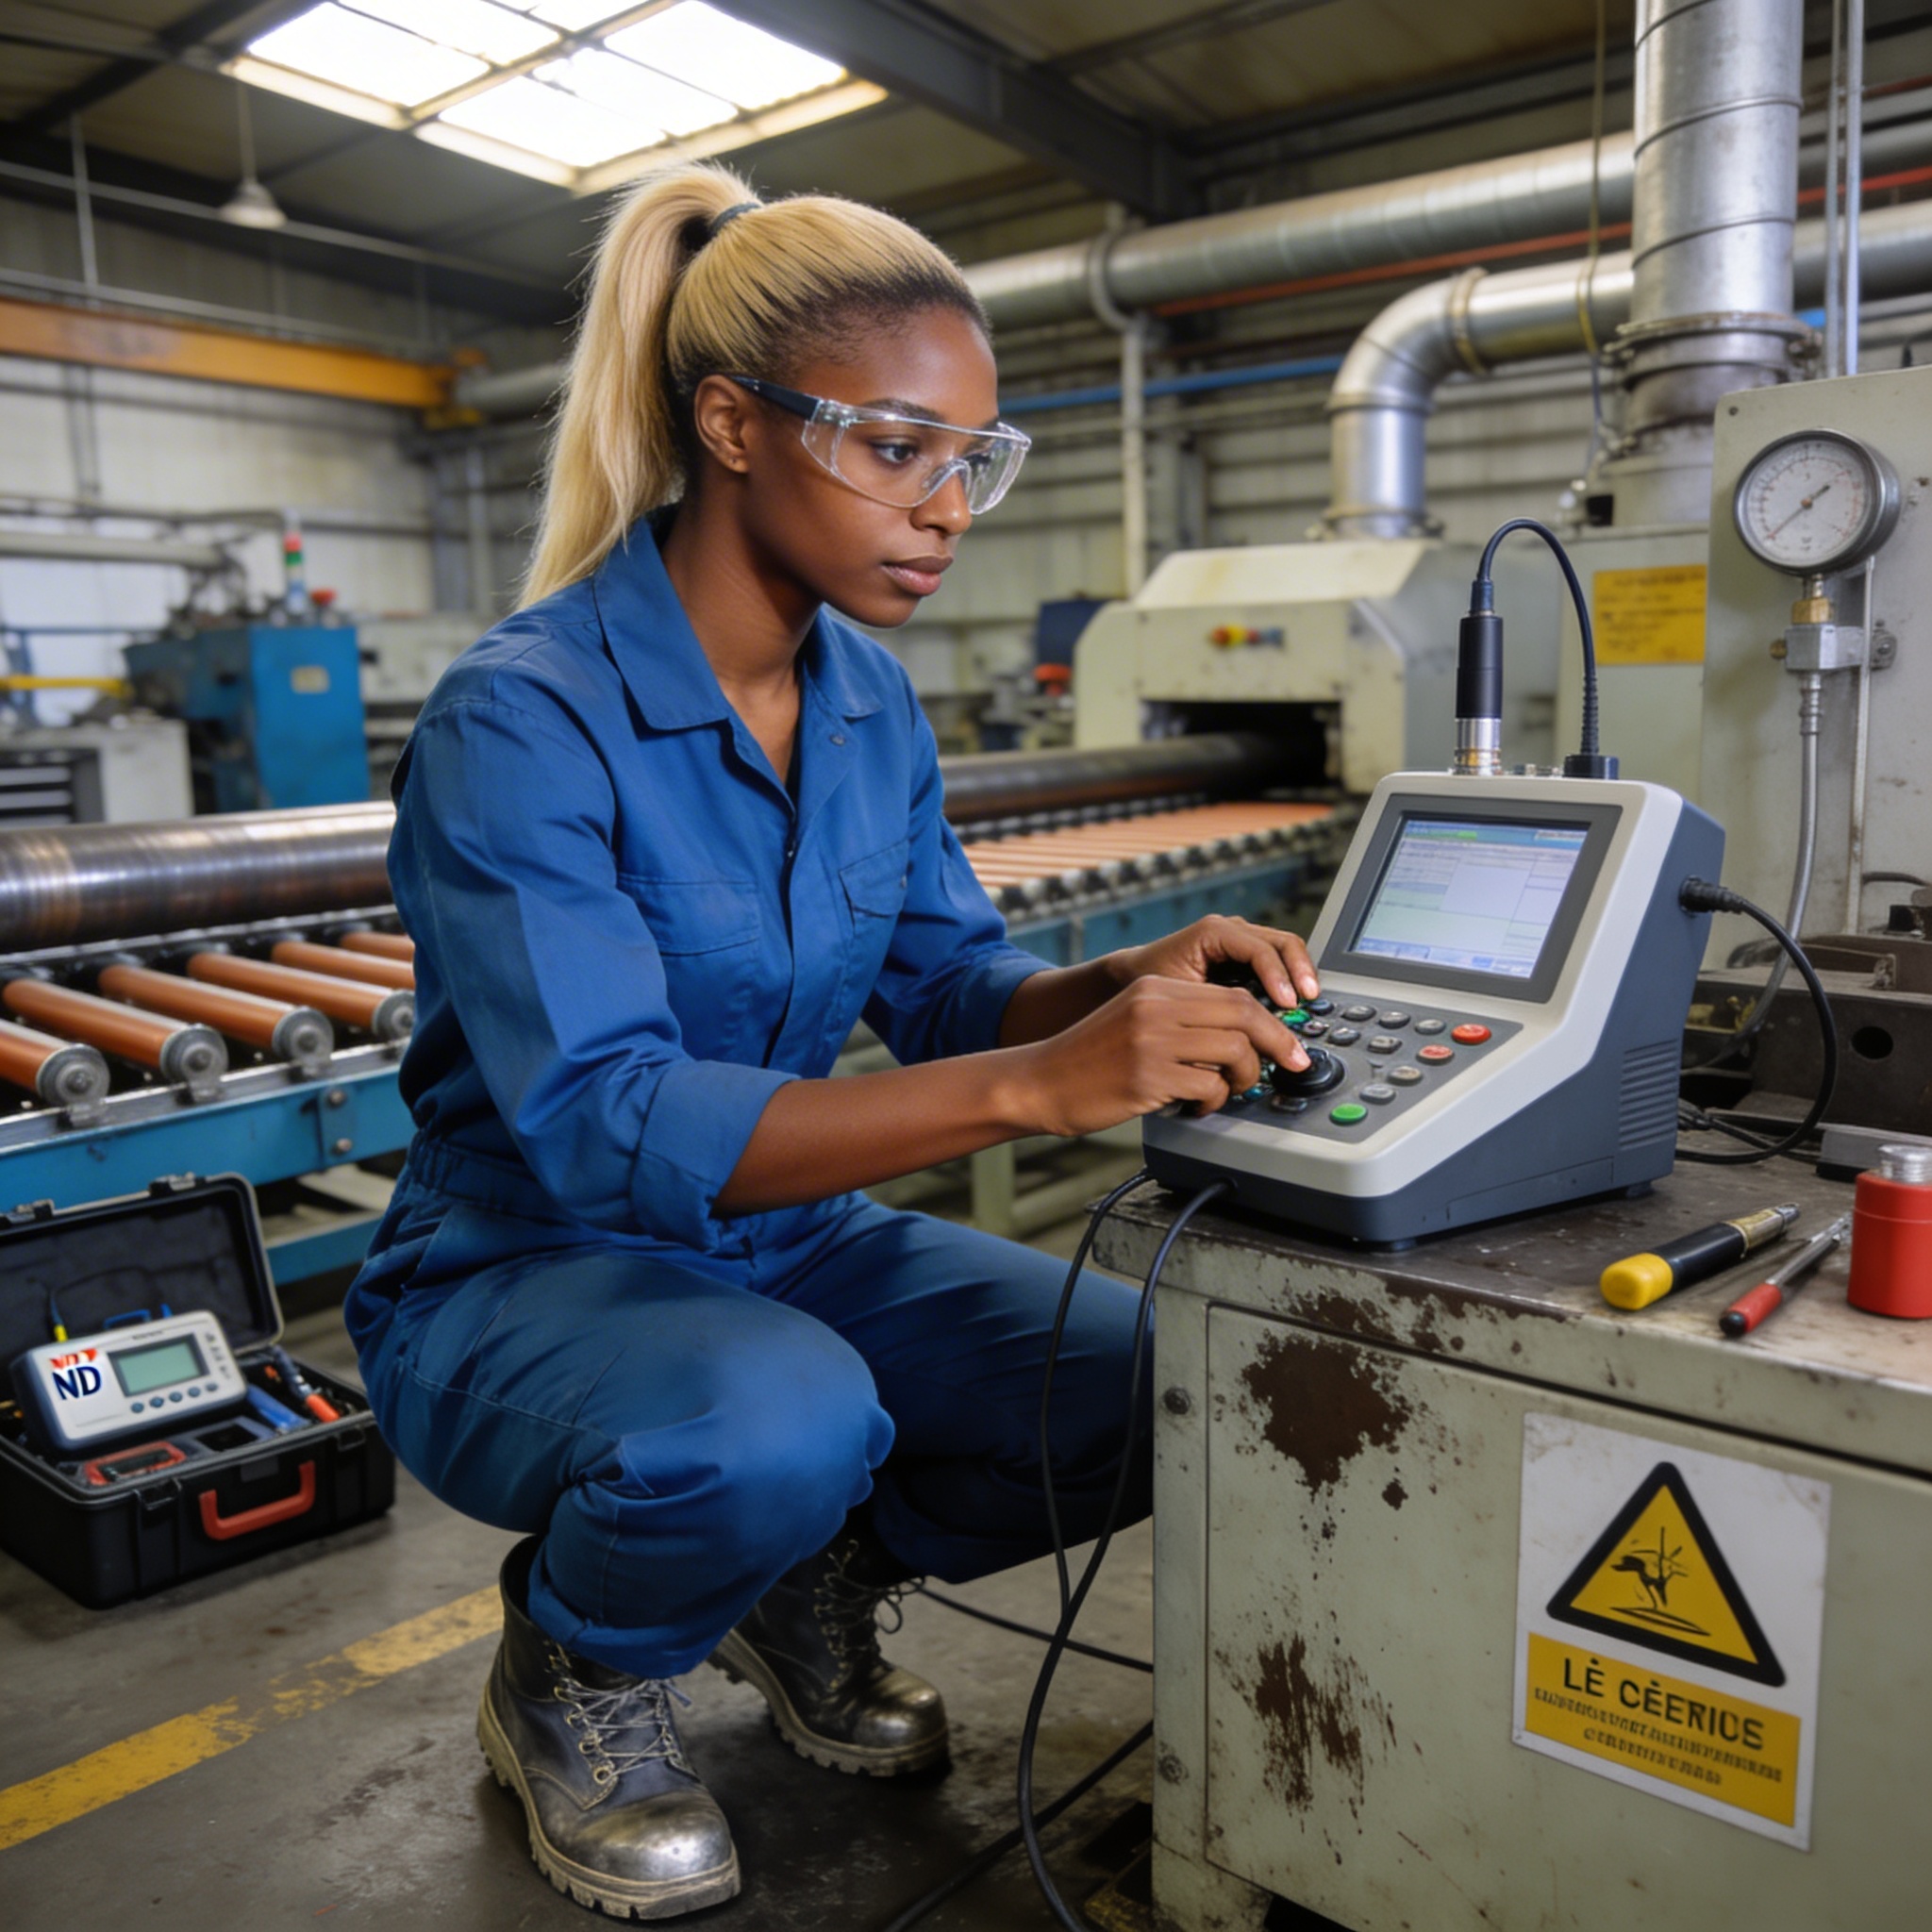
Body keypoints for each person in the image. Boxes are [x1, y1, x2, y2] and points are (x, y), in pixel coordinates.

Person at [343, 160, 1319, 1921]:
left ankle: (805, 1588)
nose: (947, 508)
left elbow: (950, 985)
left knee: (1164, 1379)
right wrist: (1038, 1087)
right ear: (732, 424)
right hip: (523, 1265)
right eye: (894, 447)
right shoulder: (524, 717)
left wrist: (1117, 989)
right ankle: (571, 1665)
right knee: (779, 1417)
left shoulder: (866, 698)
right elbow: (607, 1121)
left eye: (972, 459)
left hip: (786, 1237)